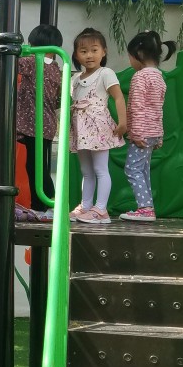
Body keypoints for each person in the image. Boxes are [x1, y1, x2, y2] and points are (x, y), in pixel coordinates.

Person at [69, 27, 127, 224]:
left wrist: (123, 122)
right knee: (86, 171)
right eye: (83, 51)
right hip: (81, 130)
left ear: (104, 51)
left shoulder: (105, 73)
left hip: (98, 128)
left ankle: (101, 210)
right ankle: (85, 206)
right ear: (76, 55)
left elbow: (118, 97)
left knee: (101, 169)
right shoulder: (75, 79)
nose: (89, 55)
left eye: (94, 50)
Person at [119, 31, 177, 222]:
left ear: (139, 54)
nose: (130, 61)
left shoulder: (140, 77)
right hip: (153, 133)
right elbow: (158, 108)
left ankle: (145, 208)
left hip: (141, 133)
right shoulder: (159, 77)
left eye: (130, 56)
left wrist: (135, 133)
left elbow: (137, 106)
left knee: (132, 169)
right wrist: (159, 135)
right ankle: (147, 206)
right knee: (143, 170)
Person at [17, 24, 63, 215]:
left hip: (32, 124)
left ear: (33, 45)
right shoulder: (57, 68)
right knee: (39, 165)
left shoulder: (32, 61)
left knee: (35, 167)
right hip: (48, 124)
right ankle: (44, 204)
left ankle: (45, 204)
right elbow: (59, 99)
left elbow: (10, 63)